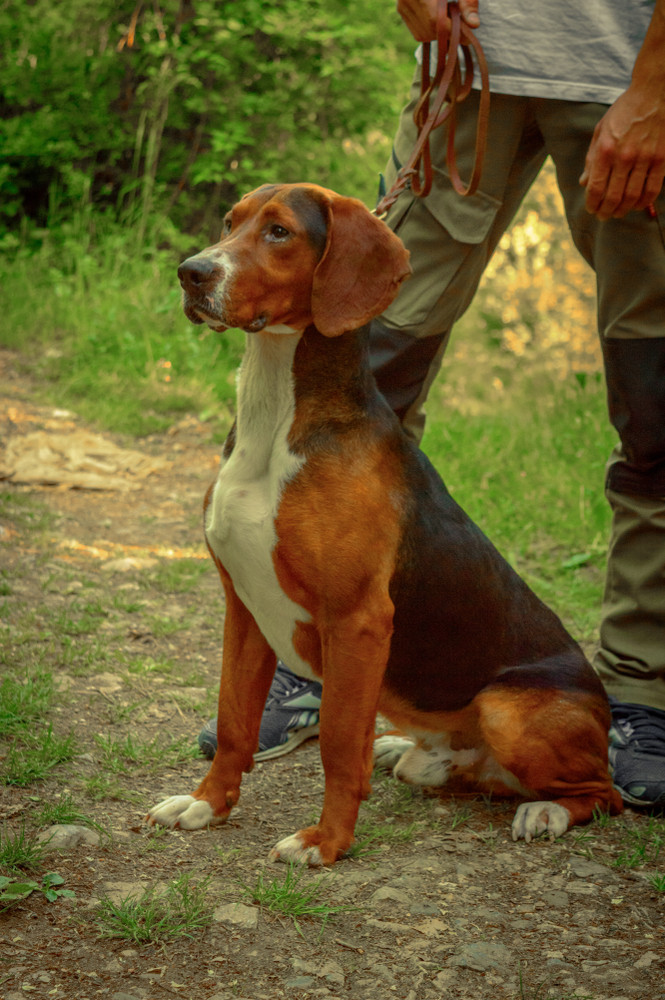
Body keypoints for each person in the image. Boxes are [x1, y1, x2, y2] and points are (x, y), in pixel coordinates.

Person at [199, 0, 665, 809]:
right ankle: (315, 648)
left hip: (622, 70)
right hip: (469, 69)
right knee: (354, 346)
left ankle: (642, 691)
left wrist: (656, 82)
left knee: (654, 393)